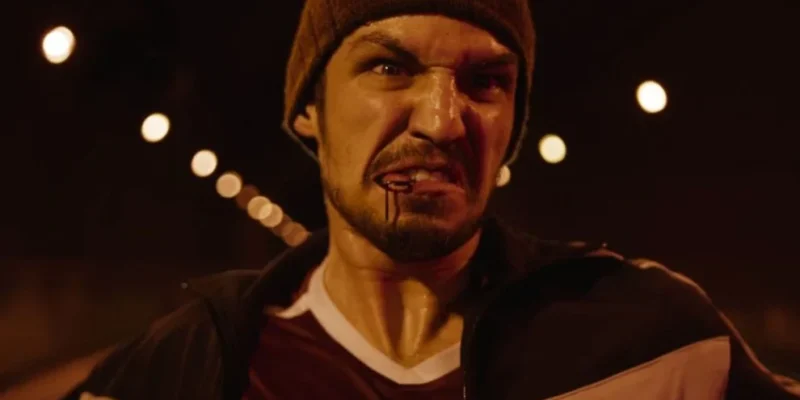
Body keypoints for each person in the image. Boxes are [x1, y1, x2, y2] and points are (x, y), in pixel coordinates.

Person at [66, 0, 800, 399]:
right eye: (389, 68)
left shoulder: (659, 344)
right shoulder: (185, 369)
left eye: (486, 82)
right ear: (309, 110)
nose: (445, 122)